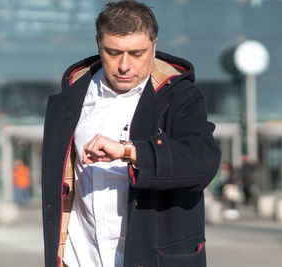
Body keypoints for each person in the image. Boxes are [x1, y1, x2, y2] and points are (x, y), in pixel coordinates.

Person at [41, 1, 221, 267]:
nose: (124, 66)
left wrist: (130, 151)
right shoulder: (70, 98)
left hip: (150, 257)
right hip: (79, 256)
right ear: (98, 44)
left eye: (137, 53)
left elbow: (203, 161)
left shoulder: (180, 95)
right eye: (113, 53)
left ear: (154, 45)